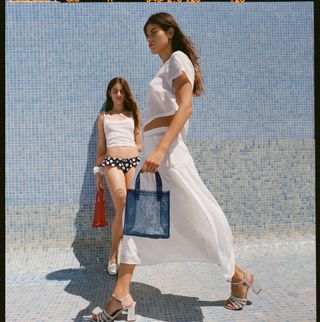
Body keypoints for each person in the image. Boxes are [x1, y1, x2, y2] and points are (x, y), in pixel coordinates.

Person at [92, 12, 261, 322]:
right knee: (138, 219)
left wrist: (159, 149)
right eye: (146, 34)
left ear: (170, 32)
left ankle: (239, 276)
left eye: (154, 32)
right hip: (156, 156)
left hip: (168, 154)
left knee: (196, 218)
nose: (149, 38)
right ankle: (121, 293)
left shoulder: (178, 60)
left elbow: (186, 108)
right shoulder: (165, 67)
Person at [94, 77, 142, 276]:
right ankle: (113, 255)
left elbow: (139, 143)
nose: (119, 94)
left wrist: (132, 150)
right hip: (112, 162)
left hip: (131, 162)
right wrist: (98, 171)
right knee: (121, 201)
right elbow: (101, 146)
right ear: (110, 93)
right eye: (115, 91)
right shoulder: (104, 116)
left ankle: (126, 254)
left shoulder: (133, 114)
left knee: (130, 209)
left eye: (122, 91)